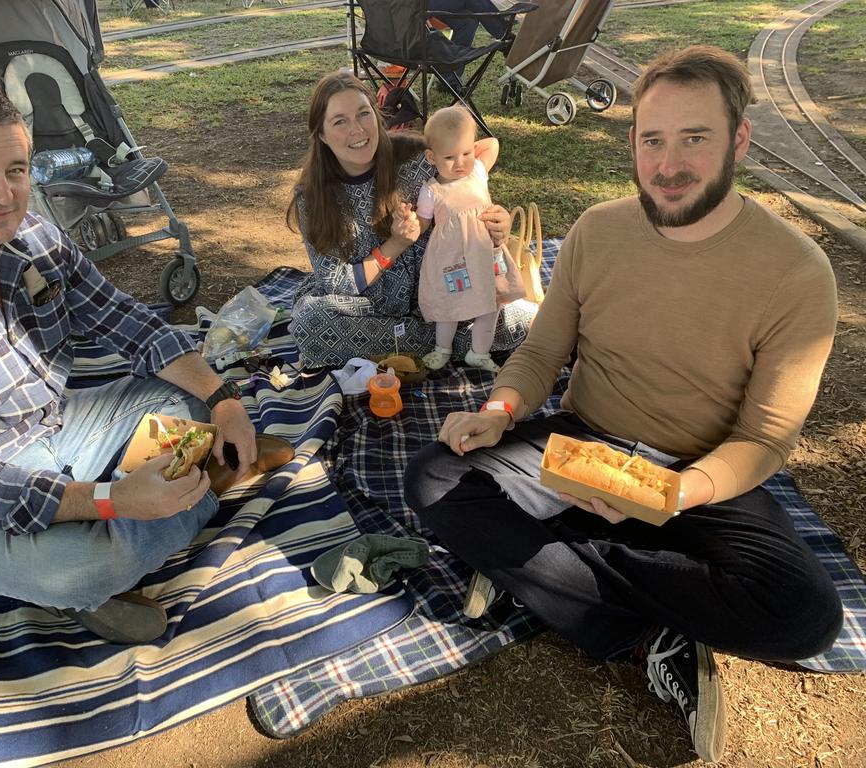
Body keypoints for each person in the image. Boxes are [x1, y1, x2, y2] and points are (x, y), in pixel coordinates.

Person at [403, 46, 843, 762]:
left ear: (738, 139)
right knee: (433, 477)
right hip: (583, 445)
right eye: (652, 140)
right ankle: (647, 637)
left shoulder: (796, 271)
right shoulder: (597, 232)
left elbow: (764, 440)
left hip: (700, 473)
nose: (669, 165)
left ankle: (539, 567)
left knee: (804, 614)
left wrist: (679, 492)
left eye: (694, 138)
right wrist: (503, 410)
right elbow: (542, 354)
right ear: (632, 141)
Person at [0, 76, 273, 645]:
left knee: (192, 392)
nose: (5, 193)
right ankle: (171, 506)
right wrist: (113, 498)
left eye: (16, 170)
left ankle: (146, 504)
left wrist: (223, 402)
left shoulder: (33, 239)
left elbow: (129, 322)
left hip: (51, 427)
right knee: (80, 568)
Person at [287, 70, 535, 367]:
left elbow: (471, 183)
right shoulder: (312, 197)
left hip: (447, 289)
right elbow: (335, 282)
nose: (357, 130)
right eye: (340, 121)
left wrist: (498, 222)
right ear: (323, 135)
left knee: (530, 319)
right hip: (368, 307)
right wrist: (395, 244)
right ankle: (454, 343)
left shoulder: (418, 158)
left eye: (364, 114)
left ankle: (437, 343)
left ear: (377, 117)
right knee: (311, 322)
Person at [417, 106, 525, 374]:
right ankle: (443, 349)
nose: (460, 163)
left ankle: (479, 353)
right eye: (450, 157)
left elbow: (492, 144)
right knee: (450, 307)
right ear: (431, 157)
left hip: (486, 254)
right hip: (453, 259)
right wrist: (408, 223)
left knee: (490, 305)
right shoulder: (432, 191)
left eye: (465, 153)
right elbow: (422, 223)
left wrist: (466, 143)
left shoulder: (476, 171)